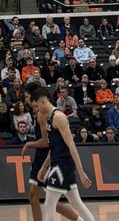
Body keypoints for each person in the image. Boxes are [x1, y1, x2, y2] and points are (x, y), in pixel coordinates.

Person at [36, 87, 95, 221]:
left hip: (62, 165)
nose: (36, 109)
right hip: (58, 164)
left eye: (36, 105)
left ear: (43, 102)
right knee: (76, 203)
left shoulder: (59, 117)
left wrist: (81, 172)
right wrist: (44, 166)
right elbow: (54, 147)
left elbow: (71, 145)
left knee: (49, 204)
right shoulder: (49, 118)